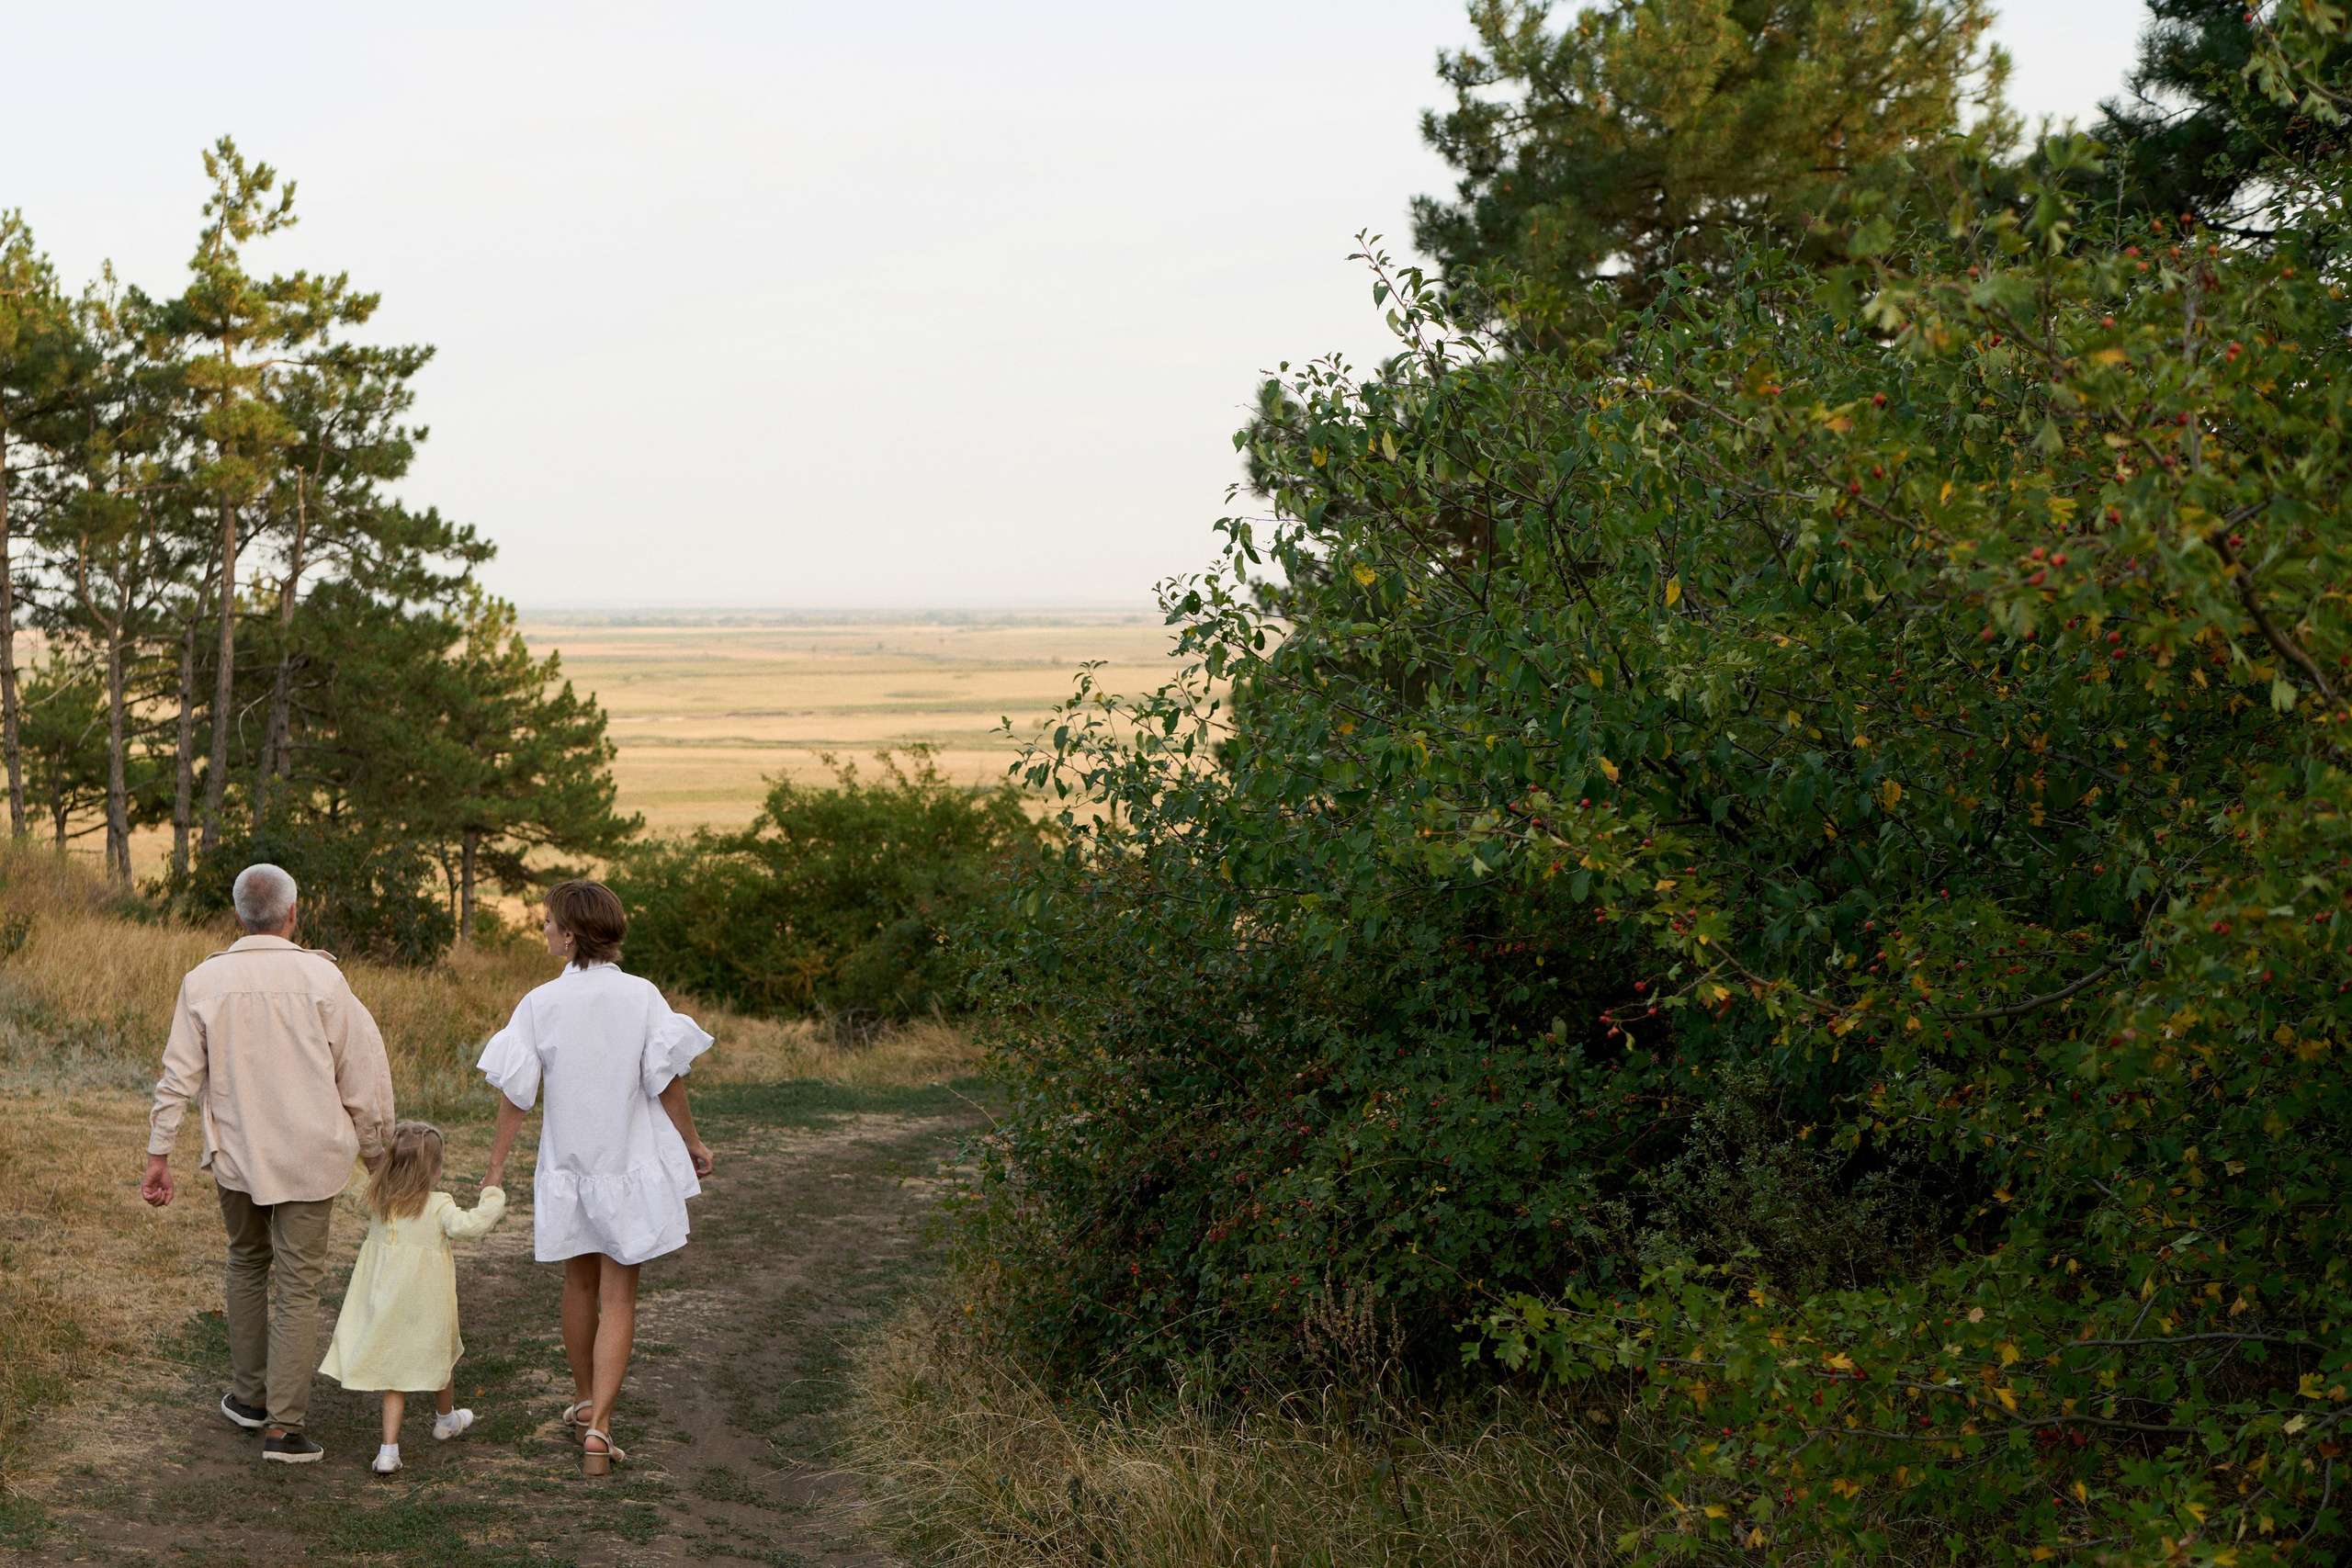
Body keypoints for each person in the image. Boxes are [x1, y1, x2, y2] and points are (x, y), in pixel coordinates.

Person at [142, 863, 395, 1465]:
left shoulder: (202, 980)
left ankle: (251, 1397)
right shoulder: (324, 978)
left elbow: (177, 1077)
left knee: (247, 1261)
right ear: (293, 912)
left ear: (237, 915)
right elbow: (362, 1075)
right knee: (299, 1283)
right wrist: (379, 1156)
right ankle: (283, 1427)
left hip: (237, 1155)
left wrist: (159, 1154)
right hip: (311, 1156)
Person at [479, 879, 714, 1476]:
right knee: (619, 1296)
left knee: (578, 1287)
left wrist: (497, 1165)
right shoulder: (641, 996)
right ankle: (600, 1429)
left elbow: (516, 1093)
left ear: (571, 934)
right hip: (626, 1168)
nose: (543, 931)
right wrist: (691, 1140)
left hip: (568, 1169)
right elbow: (666, 1078)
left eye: (548, 923)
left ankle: (585, 1400)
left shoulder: (539, 1003)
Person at [319, 1120, 507, 1474]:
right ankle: (418, 1434)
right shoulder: (438, 1206)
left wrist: (366, 1145)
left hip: (384, 1303)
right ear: (434, 1172)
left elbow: (353, 1173)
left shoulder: (379, 1198)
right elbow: (471, 1226)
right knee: (429, 1360)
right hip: (426, 1306)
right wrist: (492, 1193)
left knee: (415, 1367)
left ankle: (417, 1435)